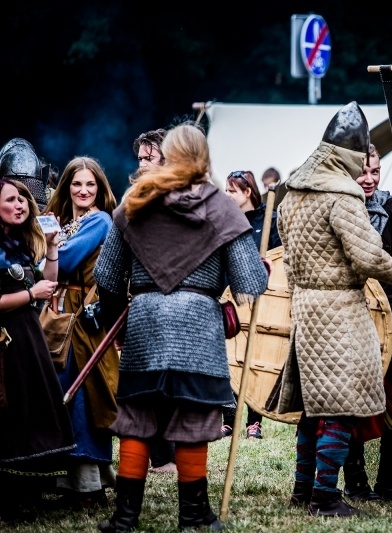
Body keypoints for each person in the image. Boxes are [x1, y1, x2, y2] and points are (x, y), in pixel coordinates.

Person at [94, 122, 268, 532]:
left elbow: (106, 275)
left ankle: (125, 518)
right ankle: (193, 516)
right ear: (204, 158)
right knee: (191, 422)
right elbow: (250, 285)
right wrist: (259, 269)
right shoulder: (222, 207)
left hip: (145, 321)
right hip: (197, 326)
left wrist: (120, 319)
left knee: (136, 420)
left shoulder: (137, 200)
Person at [271, 102, 392, 518]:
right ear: (348, 154)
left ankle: (301, 488)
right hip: (339, 309)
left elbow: (289, 258)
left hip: (305, 306)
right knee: (340, 407)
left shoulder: (292, 194)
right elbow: (368, 258)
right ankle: (324, 496)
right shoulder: (341, 195)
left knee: (314, 407)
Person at [342, 144, 392, 502]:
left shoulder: (390, 206)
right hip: (345, 314)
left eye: (375, 171)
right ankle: (356, 483)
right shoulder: (336, 204)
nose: (370, 179)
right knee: (349, 400)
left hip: (386, 313)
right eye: (363, 172)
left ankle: (389, 480)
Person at [44, 156, 119, 509]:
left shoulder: (100, 220)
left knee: (85, 396)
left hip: (85, 320)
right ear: (67, 188)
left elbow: (65, 262)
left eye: (90, 184)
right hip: (60, 318)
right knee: (64, 394)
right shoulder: (62, 222)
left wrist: (48, 246)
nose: (84, 190)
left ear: (100, 188)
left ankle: (90, 486)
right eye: (77, 184)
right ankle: (70, 481)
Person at [0, 178, 72, 523]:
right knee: (8, 415)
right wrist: (31, 295)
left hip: (27, 339)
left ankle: (24, 492)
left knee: (29, 413)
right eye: (11, 199)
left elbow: (48, 284)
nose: (20, 205)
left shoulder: (19, 244)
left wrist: (52, 247)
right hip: (4, 342)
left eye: (23, 199)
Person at [130, 127, 177, 475]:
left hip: (177, 301)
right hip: (144, 301)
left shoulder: (181, 196)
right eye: (141, 157)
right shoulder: (133, 199)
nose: (143, 163)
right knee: (149, 383)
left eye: (150, 157)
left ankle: (169, 456)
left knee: (172, 384)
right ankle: (159, 457)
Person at [222, 169, 281, 439]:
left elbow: (279, 259)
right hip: (231, 299)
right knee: (231, 357)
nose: (227, 195)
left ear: (247, 193)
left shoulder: (269, 222)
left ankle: (254, 422)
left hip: (262, 299)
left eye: (232, 190)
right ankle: (229, 419)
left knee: (256, 359)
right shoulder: (225, 222)